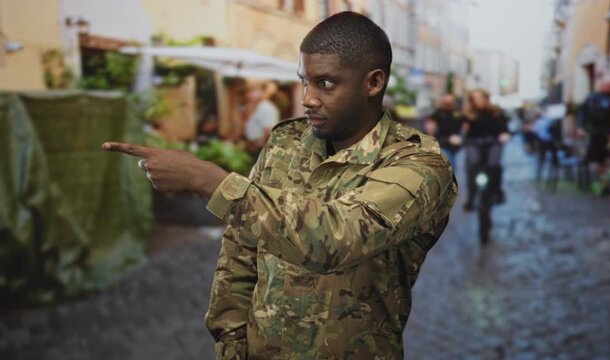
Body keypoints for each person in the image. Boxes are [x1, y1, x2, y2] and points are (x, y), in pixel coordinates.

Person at [103, 11, 457, 359]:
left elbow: (337, 237)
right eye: (305, 80)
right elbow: (241, 248)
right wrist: (231, 339)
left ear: (373, 83)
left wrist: (207, 179)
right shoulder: (287, 142)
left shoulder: (418, 165)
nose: (308, 98)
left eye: (326, 83)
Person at [462, 89, 510, 211]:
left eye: (480, 97)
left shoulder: (495, 112)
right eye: (475, 98)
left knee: (494, 164)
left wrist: (504, 134)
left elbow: (503, 127)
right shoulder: (467, 114)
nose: (478, 100)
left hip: (492, 142)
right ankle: (471, 198)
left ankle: (498, 191)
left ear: (486, 98)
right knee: (472, 165)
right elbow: (460, 129)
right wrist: (458, 135)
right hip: (474, 143)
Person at [577, 76, 610, 192]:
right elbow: (582, 113)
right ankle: (604, 182)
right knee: (600, 158)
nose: (609, 87)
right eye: (607, 85)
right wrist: (580, 127)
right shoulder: (592, 98)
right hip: (598, 133)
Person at [424, 94, 464, 172]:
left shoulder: (459, 112)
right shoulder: (437, 114)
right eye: (446, 102)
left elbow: (465, 126)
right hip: (444, 145)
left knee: (460, 170)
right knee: (447, 169)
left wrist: (461, 138)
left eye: (451, 102)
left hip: (458, 146)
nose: (448, 104)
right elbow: (430, 130)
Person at [243, 82, 280, 155]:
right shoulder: (255, 107)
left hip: (261, 148)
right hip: (253, 145)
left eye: (252, 91)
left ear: (261, 92)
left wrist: (258, 145)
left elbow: (269, 129)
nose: (248, 95)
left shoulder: (266, 108)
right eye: (247, 92)